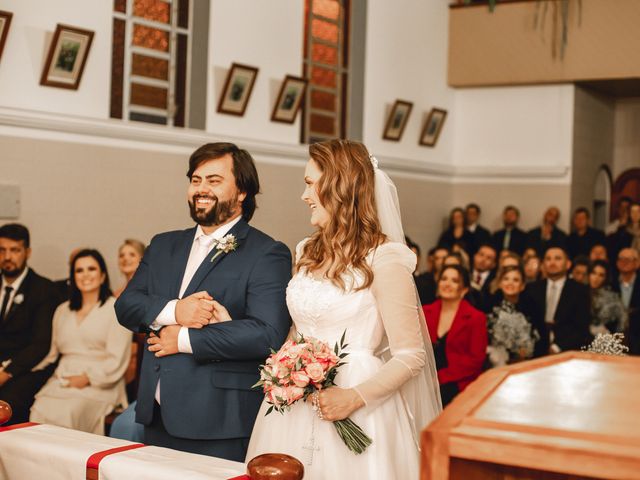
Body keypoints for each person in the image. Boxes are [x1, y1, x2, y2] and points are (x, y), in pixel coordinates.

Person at [247, 140, 441, 478]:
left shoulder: (385, 257)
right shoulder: (306, 250)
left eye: (310, 184)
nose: (304, 196)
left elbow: (411, 355)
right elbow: (298, 328)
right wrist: (288, 371)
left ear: (340, 186)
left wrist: (354, 398)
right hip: (296, 401)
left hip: (360, 401)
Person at [115, 143, 292, 461]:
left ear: (242, 192)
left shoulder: (266, 252)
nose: (201, 189)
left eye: (214, 180)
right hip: (155, 413)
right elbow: (126, 305)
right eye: (195, 180)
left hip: (218, 419)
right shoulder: (163, 244)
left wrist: (182, 339)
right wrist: (175, 310)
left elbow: (268, 335)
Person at [30, 249, 131, 434]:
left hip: (100, 383)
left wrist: (87, 378)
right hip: (62, 379)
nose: (85, 275)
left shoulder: (116, 310)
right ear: (73, 276)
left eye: (91, 269)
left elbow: (117, 360)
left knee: (68, 413)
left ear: (102, 276)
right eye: (79, 270)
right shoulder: (62, 310)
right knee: (39, 409)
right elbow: (51, 354)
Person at [0, 223, 59, 425]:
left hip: (24, 371)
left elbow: (41, 343)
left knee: (3, 408)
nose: (8, 257)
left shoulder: (43, 289)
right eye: (2, 250)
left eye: (15, 250)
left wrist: (6, 373)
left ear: (27, 252)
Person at [423, 265, 487, 407]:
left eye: (455, 280)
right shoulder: (425, 312)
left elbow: (476, 360)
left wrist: (439, 379)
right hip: (425, 377)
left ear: (464, 290)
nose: (447, 283)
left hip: (458, 382)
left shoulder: (476, 318)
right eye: (444, 279)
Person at [523, 247, 591, 353]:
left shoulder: (579, 291)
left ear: (568, 264)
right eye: (548, 259)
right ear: (543, 264)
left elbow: (581, 328)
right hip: (535, 349)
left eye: (557, 259)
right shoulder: (531, 289)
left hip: (567, 351)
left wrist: (557, 347)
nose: (552, 262)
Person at [485, 265, 547, 359]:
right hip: (495, 360)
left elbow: (542, 339)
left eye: (515, 280)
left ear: (522, 286)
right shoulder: (488, 306)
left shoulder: (533, 307)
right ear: (500, 283)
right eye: (506, 279)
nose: (510, 283)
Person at [611, 248, 640, 354]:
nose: (624, 262)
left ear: (637, 263)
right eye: (621, 259)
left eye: (629, 259)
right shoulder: (610, 283)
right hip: (613, 337)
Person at [588, 260, 626, 336]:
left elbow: (621, 324)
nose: (596, 278)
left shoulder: (612, 298)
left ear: (606, 278)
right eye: (593, 273)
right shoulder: (578, 292)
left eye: (601, 275)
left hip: (603, 339)